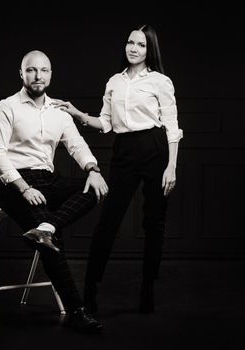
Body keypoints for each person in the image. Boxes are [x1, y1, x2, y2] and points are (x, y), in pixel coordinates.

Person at [52, 24, 183, 314]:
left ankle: (148, 288)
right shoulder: (114, 81)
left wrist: (171, 166)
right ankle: (89, 293)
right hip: (124, 150)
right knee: (108, 222)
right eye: (130, 43)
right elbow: (106, 123)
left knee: (154, 224)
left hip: (155, 149)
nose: (133, 48)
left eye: (141, 44)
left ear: (150, 50)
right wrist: (77, 114)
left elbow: (172, 127)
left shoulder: (161, 82)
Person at [0, 50, 109, 333]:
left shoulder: (58, 110)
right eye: (31, 70)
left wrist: (92, 168)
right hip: (15, 184)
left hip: (48, 181)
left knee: (94, 186)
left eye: (43, 70)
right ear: (21, 74)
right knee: (51, 245)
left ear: (51, 74)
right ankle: (77, 311)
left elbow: (76, 145)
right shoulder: (6, 107)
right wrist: (23, 187)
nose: (38, 76)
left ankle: (46, 227)